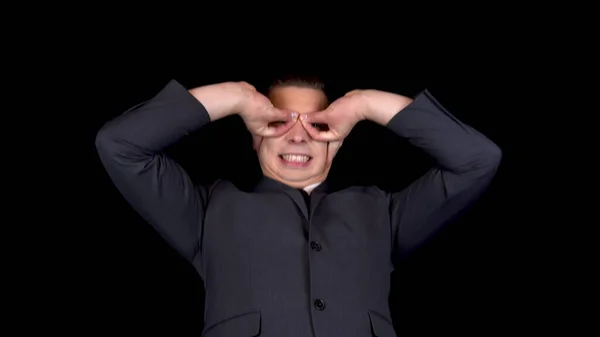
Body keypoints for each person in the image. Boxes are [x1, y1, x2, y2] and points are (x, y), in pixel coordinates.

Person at [96, 75, 502, 337]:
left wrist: (364, 103)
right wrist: (235, 97)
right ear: (256, 137)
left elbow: (477, 159)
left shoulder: (383, 212)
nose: (297, 137)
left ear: (337, 139)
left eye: (316, 125)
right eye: (279, 122)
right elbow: (120, 145)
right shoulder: (208, 211)